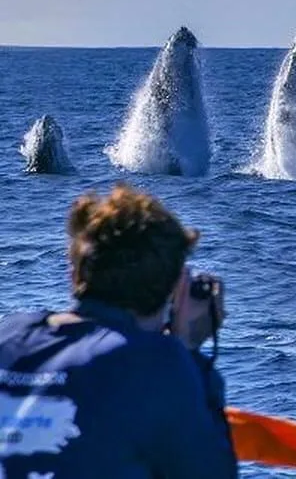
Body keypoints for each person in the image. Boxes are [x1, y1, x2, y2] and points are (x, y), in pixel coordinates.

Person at [0, 183, 238, 478]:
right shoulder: (156, 364)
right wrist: (190, 353)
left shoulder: (8, 334)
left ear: (74, 272)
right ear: (173, 289)